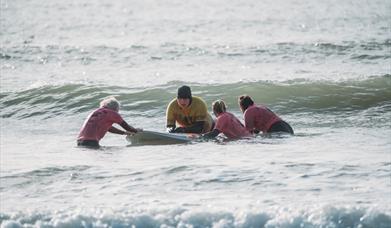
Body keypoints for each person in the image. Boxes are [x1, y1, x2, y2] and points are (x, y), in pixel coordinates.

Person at [77, 97, 142, 148]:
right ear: (116, 108)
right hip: (91, 142)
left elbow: (108, 128)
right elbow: (127, 127)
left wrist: (124, 133)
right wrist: (137, 131)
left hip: (80, 141)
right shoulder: (113, 113)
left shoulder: (95, 112)